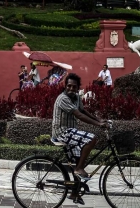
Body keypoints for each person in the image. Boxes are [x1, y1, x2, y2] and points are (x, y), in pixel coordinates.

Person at [52, 73, 108, 205]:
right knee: (91, 139)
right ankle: (79, 169)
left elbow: (83, 111)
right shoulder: (63, 98)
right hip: (62, 132)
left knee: (78, 161)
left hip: (71, 131)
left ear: (78, 88)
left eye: (74, 86)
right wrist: (98, 124)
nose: (71, 88)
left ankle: (74, 193)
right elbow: (78, 115)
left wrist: (99, 119)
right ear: (65, 86)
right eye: (69, 86)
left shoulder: (76, 97)